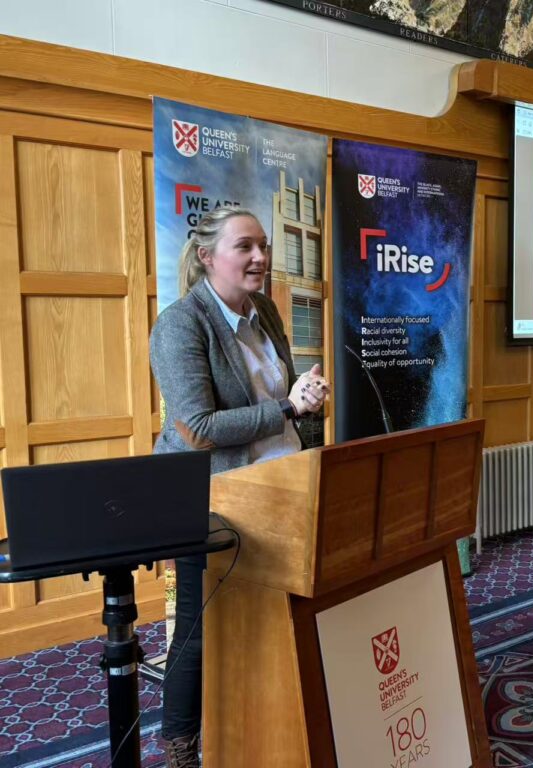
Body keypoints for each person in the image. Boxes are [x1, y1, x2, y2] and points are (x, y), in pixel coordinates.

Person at [149, 206, 329, 767]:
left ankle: (275, 729)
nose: (260, 257)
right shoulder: (181, 324)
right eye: (245, 247)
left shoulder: (265, 311)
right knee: (201, 631)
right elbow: (198, 429)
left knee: (283, 614)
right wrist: (287, 407)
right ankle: (181, 747)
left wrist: (306, 399)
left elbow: (280, 398)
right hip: (211, 496)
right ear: (207, 256)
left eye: (264, 246)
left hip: (282, 487)